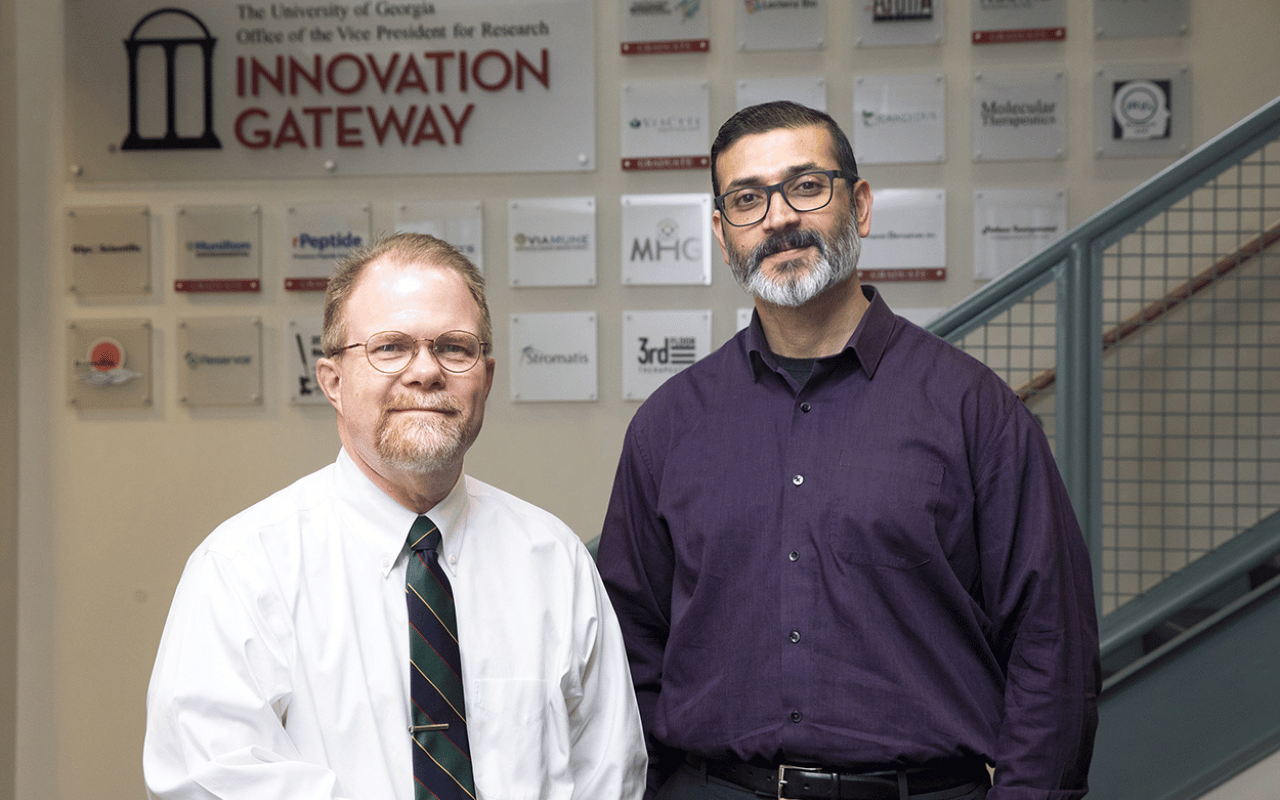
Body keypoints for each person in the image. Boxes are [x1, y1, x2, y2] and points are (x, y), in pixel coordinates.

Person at [596, 101, 1100, 800]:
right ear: (722, 233)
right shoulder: (669, 427)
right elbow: (630, 652)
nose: (778, 217)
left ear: (858, 205)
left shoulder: (973, 411)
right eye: (747, 199)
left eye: (806, 186)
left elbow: (1052, 648)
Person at [144, 233, 646, 800]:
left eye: (455, 348)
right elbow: (210, 779)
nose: (425, 372)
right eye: (390, 347)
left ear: (486, 375)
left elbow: (611, 773)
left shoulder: (553, 560)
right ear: (332, 382)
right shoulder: (243, 569)